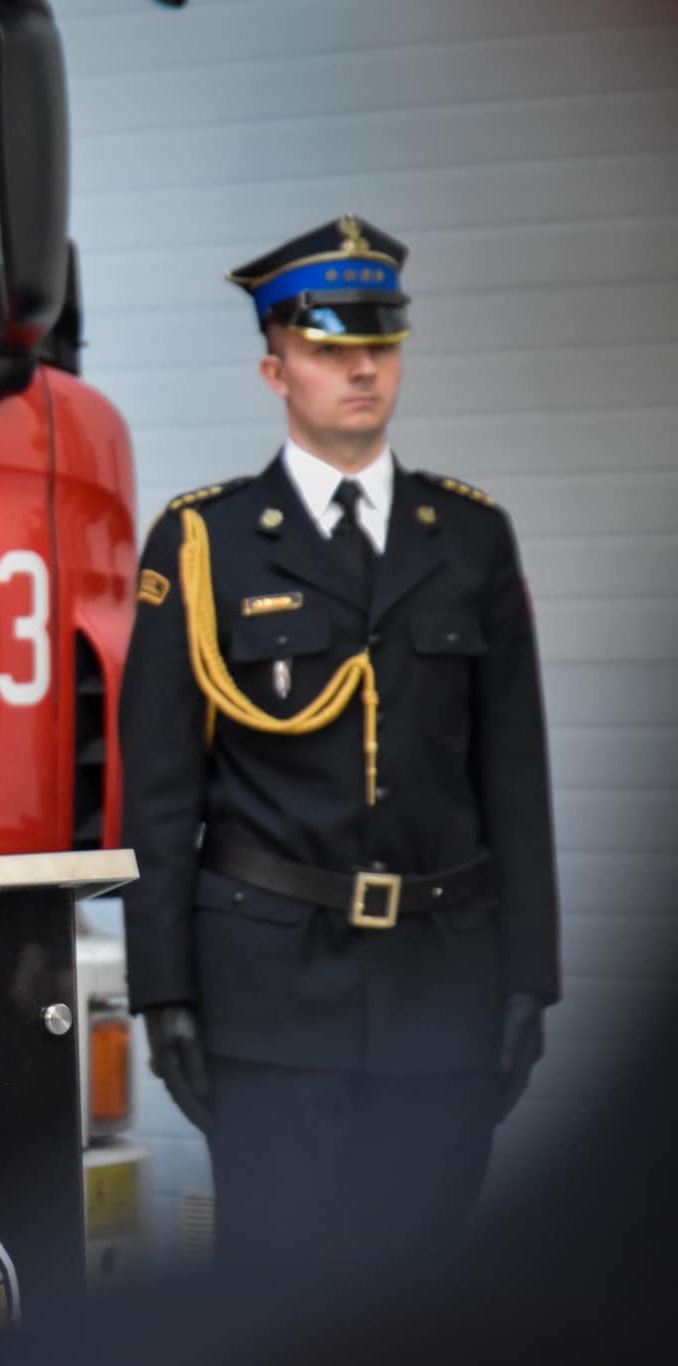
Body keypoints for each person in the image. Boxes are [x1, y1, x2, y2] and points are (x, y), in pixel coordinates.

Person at [117, 215, 558, 1269]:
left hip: (441, 985)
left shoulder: (468, 535)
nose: (363, 368)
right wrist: (162, 989)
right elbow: (161, 793)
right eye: (330, 347)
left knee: (425, 1287)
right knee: (279, 1289)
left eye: (382, 342)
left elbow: (514, 773)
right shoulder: (204, 541)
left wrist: (528, 977)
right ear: (275, 370)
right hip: (267, 992)